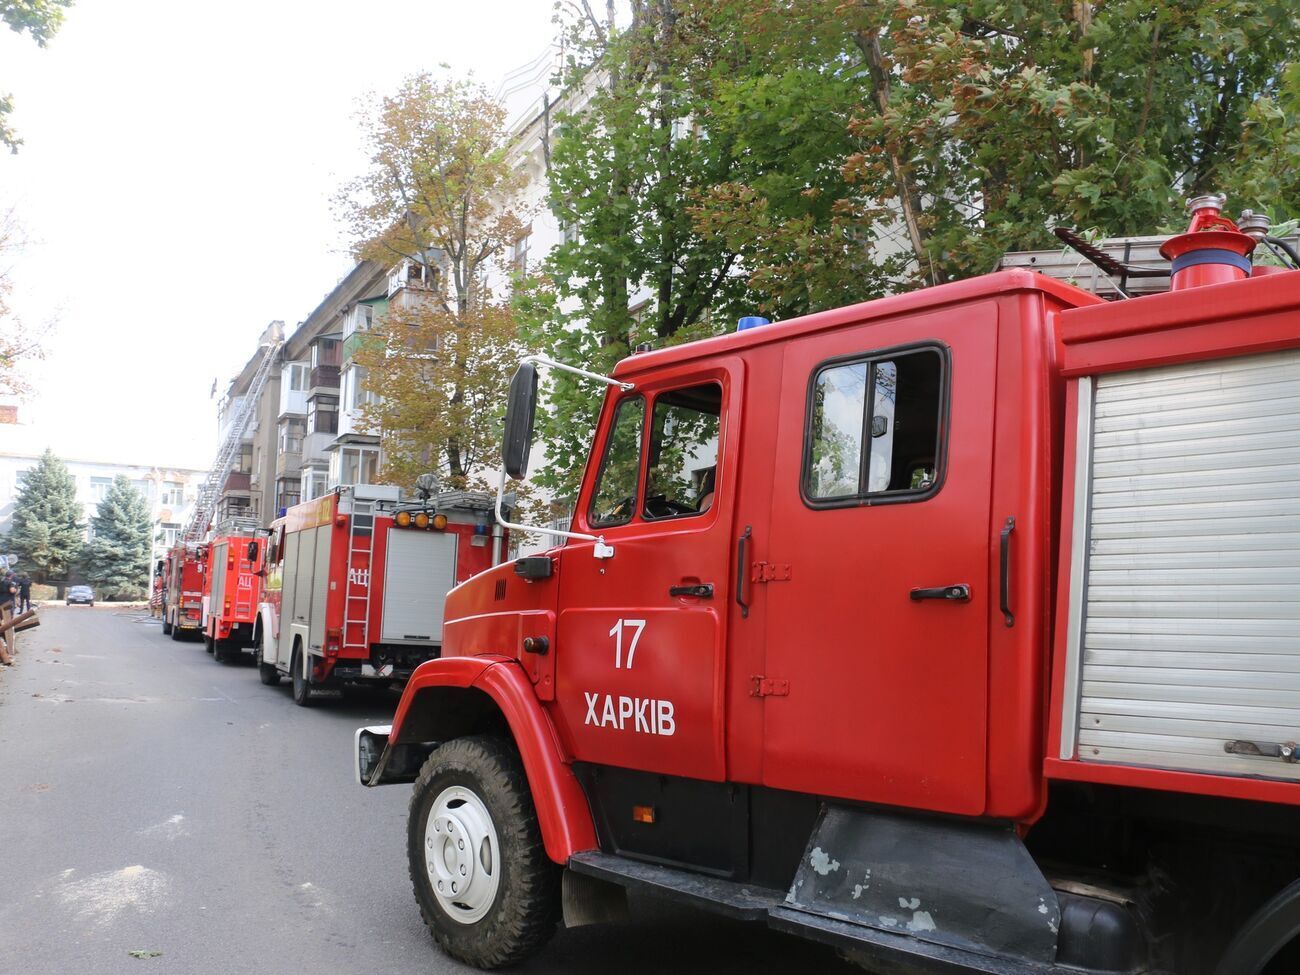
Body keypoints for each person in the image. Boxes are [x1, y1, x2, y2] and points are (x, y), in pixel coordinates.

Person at [0, 570, 16, 665]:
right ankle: (7, 637)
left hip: (0, 602)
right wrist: (15, 589)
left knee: (1, 619)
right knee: (8, 621)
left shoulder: (1, 582)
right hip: (8, 604)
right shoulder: (11, 583)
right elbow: (12, 591)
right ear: (12, 575)